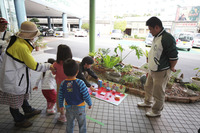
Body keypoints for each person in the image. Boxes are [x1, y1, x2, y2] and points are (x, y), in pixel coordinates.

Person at [0, 21, 54, 128]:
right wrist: (49, 66)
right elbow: (35, 66)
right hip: (14, 81)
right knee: (14, 103)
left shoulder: (18, 41)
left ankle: (28, 110)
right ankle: (19, 120)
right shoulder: (21, 47)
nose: (34, 38)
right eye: (34, 35)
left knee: (22, 97)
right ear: (29, 35)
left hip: (17, 78)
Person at [137, 17, 178, 117]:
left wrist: (172, 67)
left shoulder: (167, 38)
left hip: (162, 70)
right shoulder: (157, 36)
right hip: (153, 68)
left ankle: (156, 111)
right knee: (148, 87)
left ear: (157, 27)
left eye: (150, 29)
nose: (150, 32)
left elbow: (174, 56)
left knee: (158, 92)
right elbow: (155, 51)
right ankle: (148, 102)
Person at [58, 58, 92, 133]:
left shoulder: (63, 83)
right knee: (82, 124)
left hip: (68, 107)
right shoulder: (80, 82)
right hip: (79, 107)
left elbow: (60, 96)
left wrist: (61, 105)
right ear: (77, 72)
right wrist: (89, 103)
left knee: (69, 124)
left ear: (64, 72)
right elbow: (86, 95)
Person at [52, 44, 72, 122]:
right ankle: (70, 113)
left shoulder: (55, 64)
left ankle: (62, 115)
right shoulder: (71, 63)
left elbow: (53, 73)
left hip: (60, 84)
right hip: (69, 84)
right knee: (69, 98)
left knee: (60, 99)